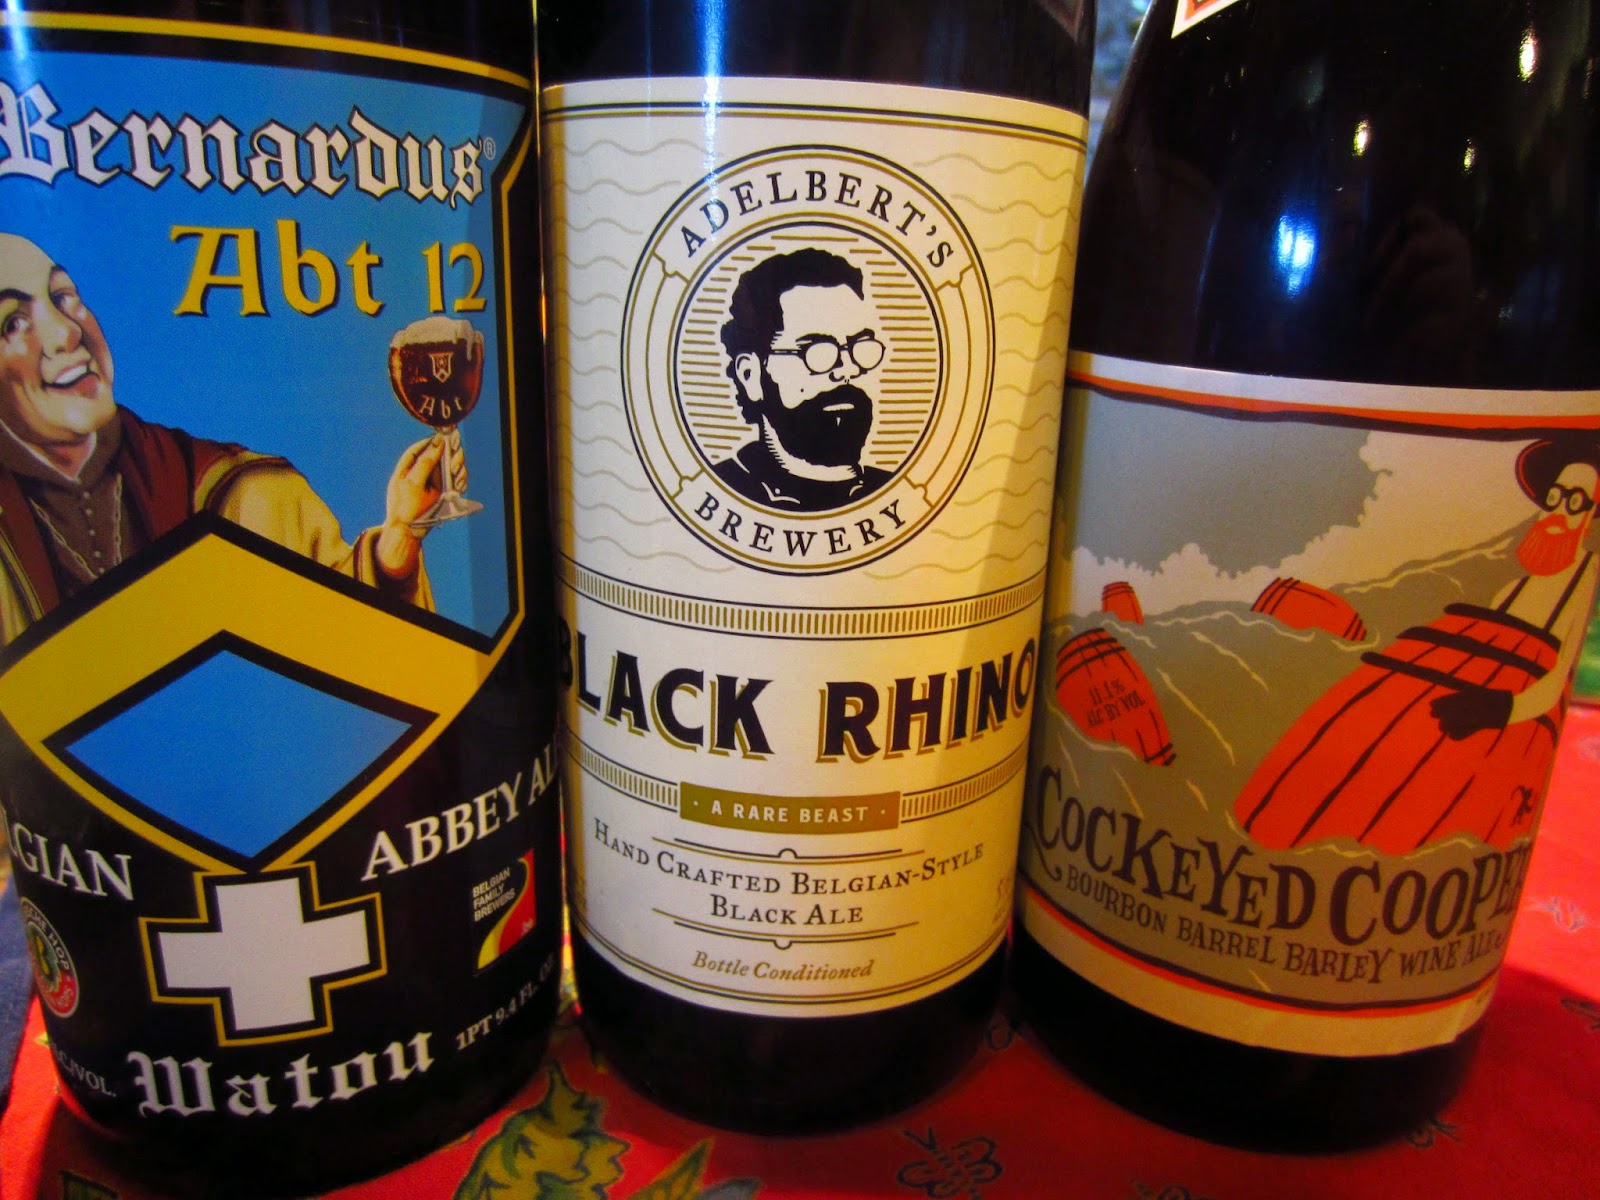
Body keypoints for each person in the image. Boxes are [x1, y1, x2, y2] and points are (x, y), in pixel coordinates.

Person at [0, 233, 455, 648]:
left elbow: (342, 641)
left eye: (63, 296)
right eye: (13, 324)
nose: (66, 332)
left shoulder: (242, 492)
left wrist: (397, 545)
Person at [1234, 434, 1600, 853]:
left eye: (1575, 502)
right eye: (1554, 497)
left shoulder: (1583, 576)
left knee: (1429, 801)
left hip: (1496, 723)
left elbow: (1553, 685)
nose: (1558, 512)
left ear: (1591, 514)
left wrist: (1501, 709)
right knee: (1356, 737)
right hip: (1445, 692)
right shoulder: (1516, 582)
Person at [714, 247, 894, 512]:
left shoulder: (893, 488)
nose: (847, 370)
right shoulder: (725, 484)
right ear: (750, 375)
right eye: (818, 351)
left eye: (861, 346)